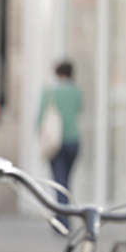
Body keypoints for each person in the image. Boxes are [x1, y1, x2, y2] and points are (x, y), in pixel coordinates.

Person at [39, 60, 82, 206]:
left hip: (56, 142)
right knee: (66, 181)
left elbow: (40, 119)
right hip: (74, 140)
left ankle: (62, 221)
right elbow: (79, 111)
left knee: (59, 182)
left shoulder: (49, 92)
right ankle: (64, 215)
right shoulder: (76, 92)